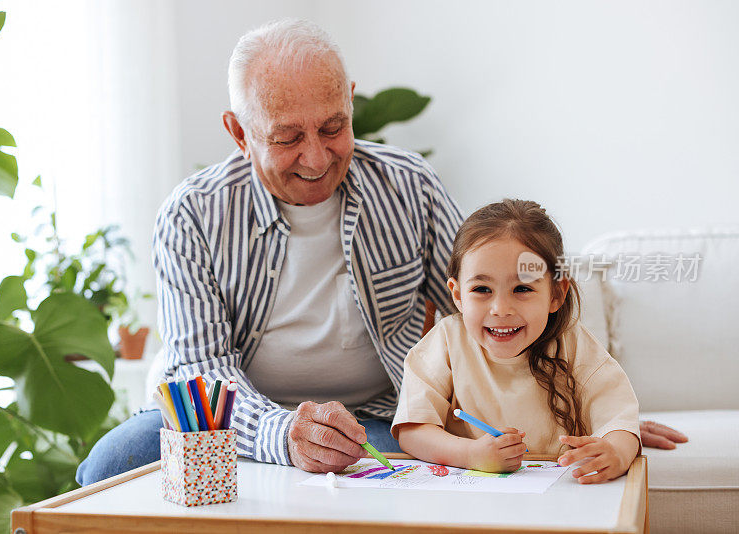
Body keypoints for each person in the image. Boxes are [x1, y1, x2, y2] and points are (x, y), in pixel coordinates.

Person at [75, 19, 686, 487]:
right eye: (287, 137)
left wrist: (596, 414)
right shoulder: (192, 215)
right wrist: (283, 433)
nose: (316, 159)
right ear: (238, 132)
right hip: (241, 422)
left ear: (351, 102)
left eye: (333, 127)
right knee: (114, 460)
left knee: (415, 476)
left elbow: (488, 297)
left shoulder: (408, 184)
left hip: (373, 415)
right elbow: (198, 371)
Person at [393, 199, 641, 483]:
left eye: (522, 288)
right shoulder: (446, 342)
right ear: (458, 294)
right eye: (482, 289)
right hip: (471, 494)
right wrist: (472, 454)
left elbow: (621, 422)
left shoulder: (574, 343)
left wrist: (616, 452)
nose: (500, 308)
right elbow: (413, 431)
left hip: (561, 492)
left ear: (556, 294)